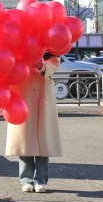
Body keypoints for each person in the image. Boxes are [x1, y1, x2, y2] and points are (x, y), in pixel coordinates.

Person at [5, 52, 62, 193]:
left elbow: (55, 62)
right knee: (24, 140)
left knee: (44, 140)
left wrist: (44, 66)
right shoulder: (19, 44)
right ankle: (26, 179)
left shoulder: (50, 48)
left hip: (42, 92)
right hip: (22, 91)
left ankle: (41, 179)